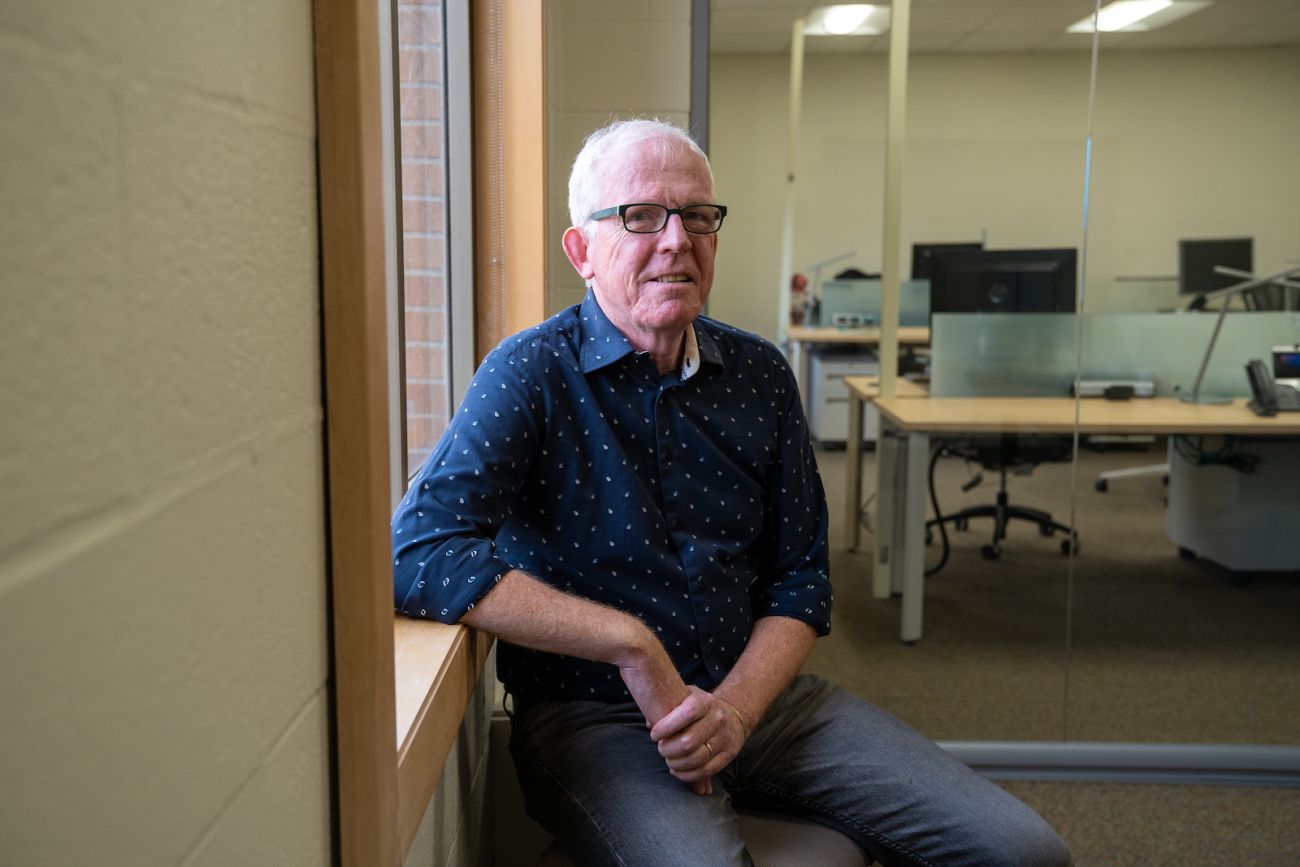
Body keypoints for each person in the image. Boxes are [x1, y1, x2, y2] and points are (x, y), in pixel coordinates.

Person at [392, 118, 1071, 867]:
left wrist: (739, 709)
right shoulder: (529, 373)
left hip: (763, 703)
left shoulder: (760, 375)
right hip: (600, 719)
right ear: (582, 250)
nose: (677, 239)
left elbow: (801, 578)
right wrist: (632, 645)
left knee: (1024, 851)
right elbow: (420, 551)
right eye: (642, 216)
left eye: (698, 216)